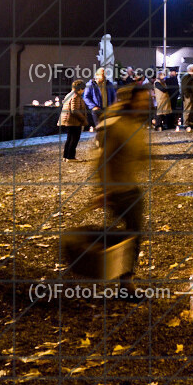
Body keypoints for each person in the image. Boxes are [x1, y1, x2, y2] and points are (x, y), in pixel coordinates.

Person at [90, 84, 151, 294]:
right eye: (142, 99)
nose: (146, 103)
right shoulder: (115, 125)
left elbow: (141, 152)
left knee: (133, 234)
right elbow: (101, 159)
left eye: (147, 99)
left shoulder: (136, 125)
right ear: (130, 101)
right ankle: (122, 280)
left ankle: (125, 279)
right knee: (126, 235)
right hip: (117, 190)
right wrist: (103, 190)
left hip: (131, 188)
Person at [59, 79, 87, 161]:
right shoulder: (76, 96)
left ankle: (65, 156)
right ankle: (70, 157)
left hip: (67, 120)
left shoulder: (69, 94)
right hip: (73, 121)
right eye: (83, 89)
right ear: (80, 89)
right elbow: (74, 110)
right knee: (74, 139)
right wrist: (83, 119)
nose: (83, 91)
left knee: (69, 138)